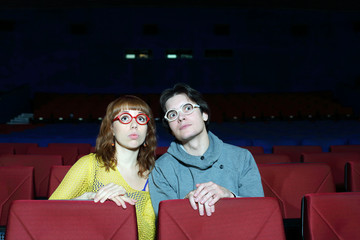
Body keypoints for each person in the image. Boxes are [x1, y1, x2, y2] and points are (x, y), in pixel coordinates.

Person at [49, 95, 157, 240]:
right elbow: (48, 212)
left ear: (147, 130)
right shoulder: (89, 164)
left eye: (141, 119)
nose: (134, 125)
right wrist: (89, 198)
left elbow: (148, 235)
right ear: (111, 128)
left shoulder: (154, 177)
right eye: (125, 118)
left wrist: (126, 206)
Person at [149, 83, 264, 217]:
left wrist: (231, 196)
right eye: (172, 114)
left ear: (204, 115)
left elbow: (260, 212)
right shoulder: (160, 169)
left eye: (187, 108)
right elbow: (166, 224)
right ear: (170, 127)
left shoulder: (242, 157)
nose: (181, 117)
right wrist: (184, 206)